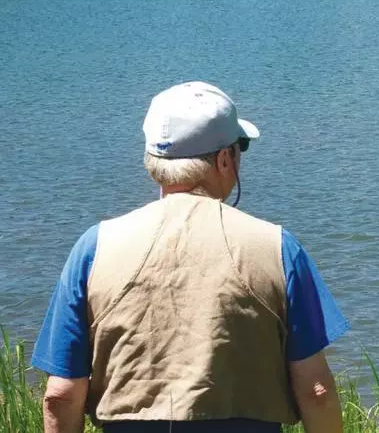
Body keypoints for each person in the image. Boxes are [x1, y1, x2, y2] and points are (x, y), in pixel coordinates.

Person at [32, 81, 348, 433]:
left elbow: (61, 395)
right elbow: (315, 391)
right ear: (224, 159)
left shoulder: (94, 248)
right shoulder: (277, 247)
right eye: (240, 147)